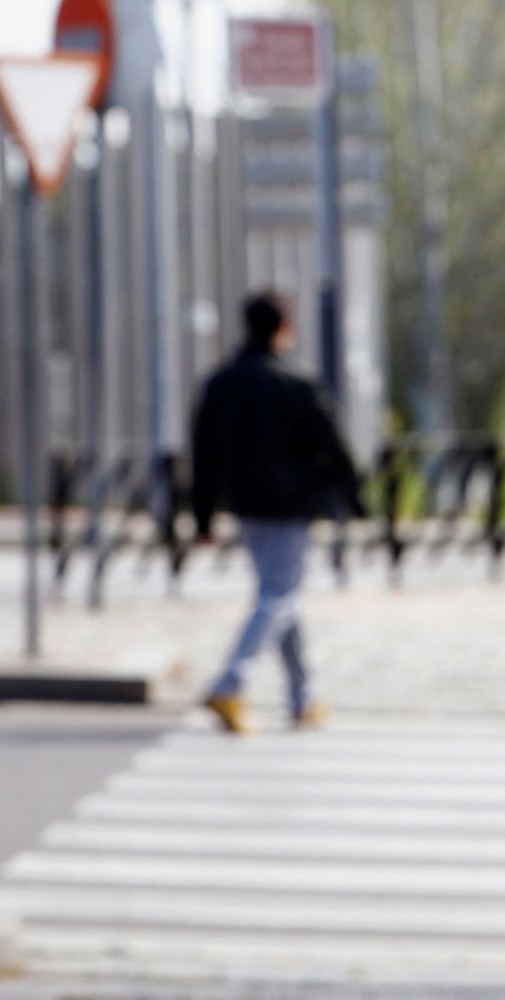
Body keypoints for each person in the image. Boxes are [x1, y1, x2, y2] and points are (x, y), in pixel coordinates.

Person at [191, 291, 365, 735]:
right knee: (278, 597)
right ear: (284, 327)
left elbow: (204, 453)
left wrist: (203, 515)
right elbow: (332, 442)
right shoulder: (295, 381)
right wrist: (355, 497)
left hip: (245, 505)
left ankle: (302, 696)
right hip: (290, 506)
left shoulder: (221, 382)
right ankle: (230, 683)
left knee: (278, 595)